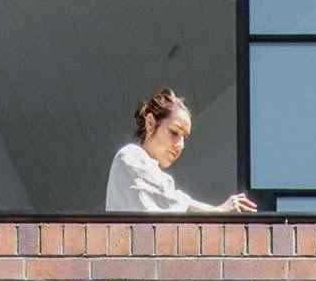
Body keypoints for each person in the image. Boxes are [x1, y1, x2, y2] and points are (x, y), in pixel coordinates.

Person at [106, 87, 254, 214]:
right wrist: (218, 210)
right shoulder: (129, 156)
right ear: (150, 123)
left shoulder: (153, 174)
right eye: (174, 132)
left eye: (184, 137)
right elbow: (168, 199)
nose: (180, 145)